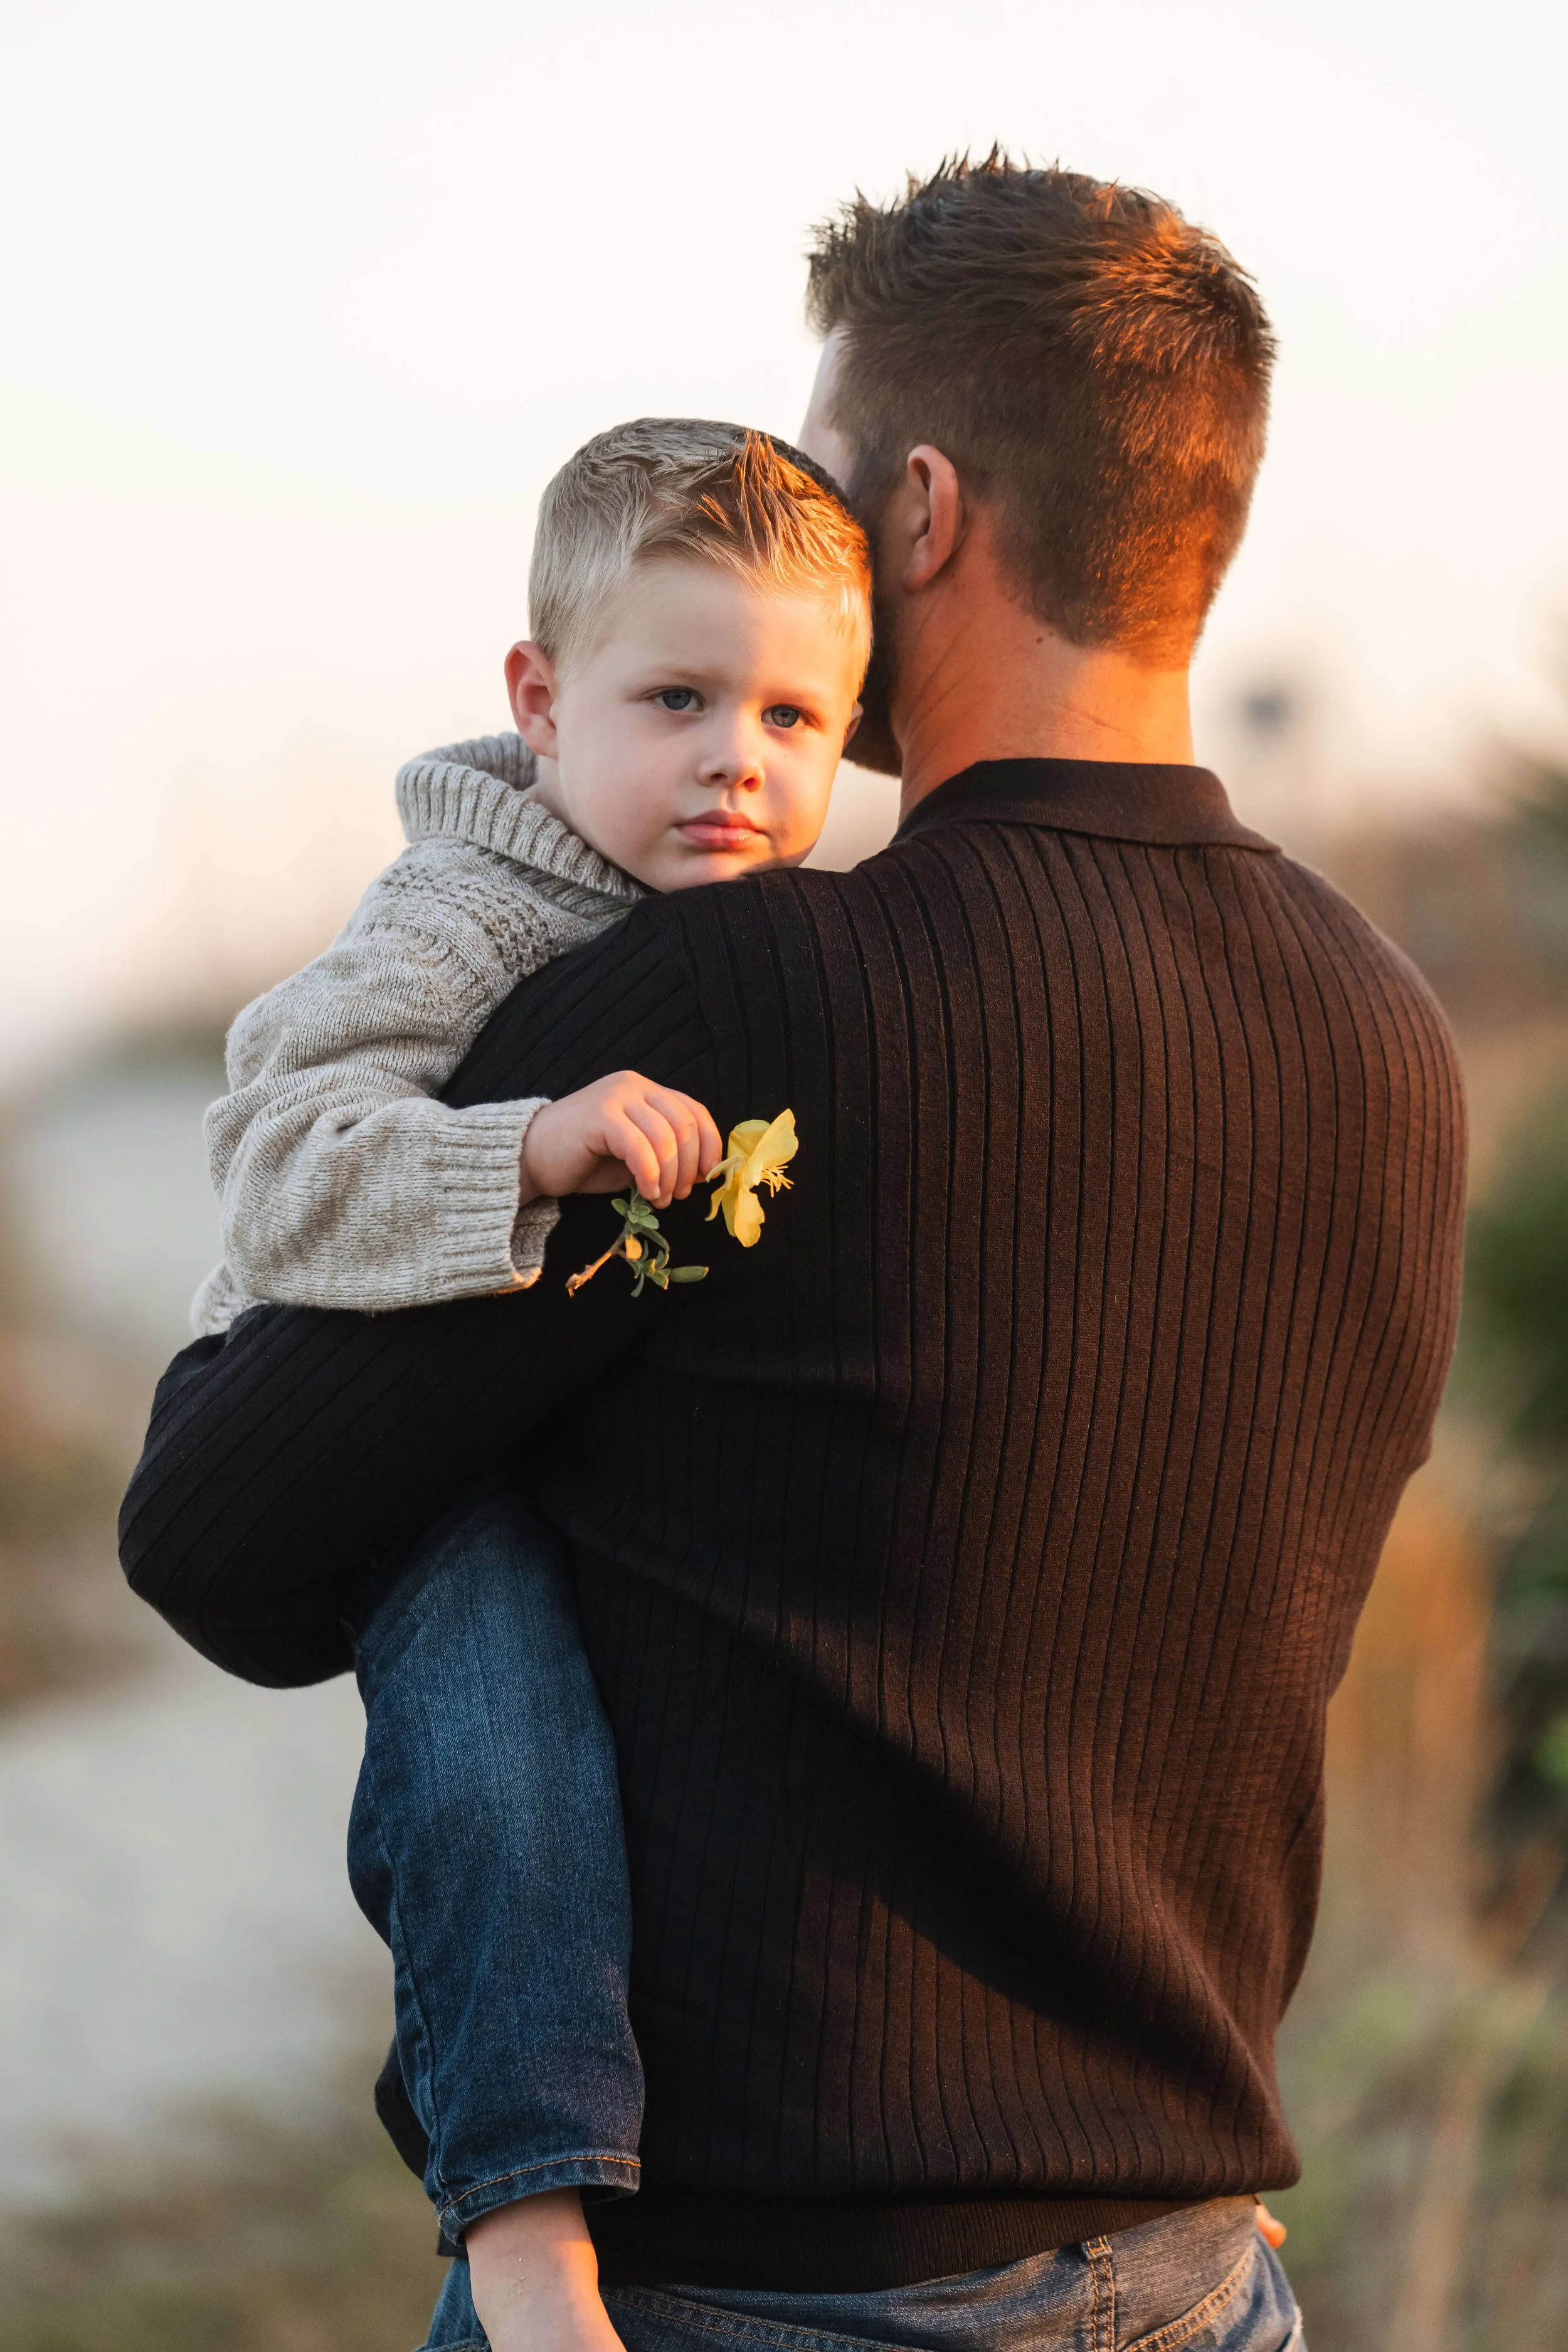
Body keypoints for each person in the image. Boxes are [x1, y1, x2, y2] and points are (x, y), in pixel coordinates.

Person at [120, 156, 1466, 2352]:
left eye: (826, 490)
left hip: (757, 2289)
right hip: (1200, 2264)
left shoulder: (750, 995)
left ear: (919, 513)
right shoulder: (1391, 1041)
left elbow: (212, 1526)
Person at [182, 421, 871, 2262]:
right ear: (540, 698)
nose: (736, 757)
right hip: (353, 1410)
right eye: (676, 697)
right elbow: (266, 1156)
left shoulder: (784, 936)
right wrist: (529, 1143)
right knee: (499, 1745)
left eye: (793, 719)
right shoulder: (468, 903)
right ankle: (521, 2214)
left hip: (538, 1412)